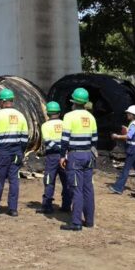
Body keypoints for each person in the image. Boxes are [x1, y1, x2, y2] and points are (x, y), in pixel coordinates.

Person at [0, 88, 29, 217]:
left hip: (2, 152)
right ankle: (13, 209)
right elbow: (25, 137)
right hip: (16, 152)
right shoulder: (20, 115)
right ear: (12, 100)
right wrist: (21, 152)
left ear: (2, 101)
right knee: (14, 180)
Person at [59, 87, 98, 231]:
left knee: (76, 189)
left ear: (74, 102)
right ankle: (89, 221)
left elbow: (64, 140)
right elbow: (94, 140)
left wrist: (62, 156)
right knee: (88, 189)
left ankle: (76, 222)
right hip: (88, 155)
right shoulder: (91, 117)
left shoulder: (69, 116)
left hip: (75, 156)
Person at [109, 105, 135, 199]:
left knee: (126, 169)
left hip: (133, 149)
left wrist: (117, 136)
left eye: (129, 113)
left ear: (133, 115)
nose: (127, 114)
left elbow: (129, 136)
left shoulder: (133, 124)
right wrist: (127, 130)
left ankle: (118, 187)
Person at [36, 101, 69, 214]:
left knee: (49, 181)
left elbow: (48, 142)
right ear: (59, 113)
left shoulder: (45, 126)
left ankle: (47, 206)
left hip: (52, 157)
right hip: (65, 156)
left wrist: (58, 150)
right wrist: (63, 152)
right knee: (66, 181)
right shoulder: (65, 124)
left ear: (47, 113)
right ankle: (66, 205)